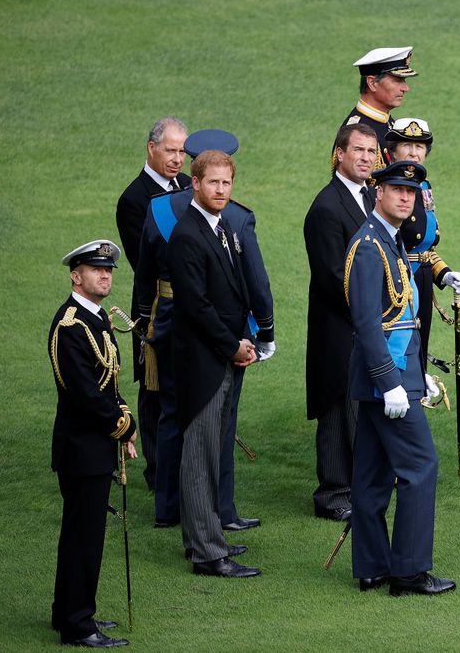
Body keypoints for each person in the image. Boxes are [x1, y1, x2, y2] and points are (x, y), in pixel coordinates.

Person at [135, 129, 268, 533]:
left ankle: (168, 506)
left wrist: (145, 321)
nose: (221, 187)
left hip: (165, 320)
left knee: (173, 415)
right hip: (213, 326)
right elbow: (253, 281)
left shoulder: (158, 209)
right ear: (200, 176)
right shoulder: (236, 215)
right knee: (217, 422)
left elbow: (144, 274)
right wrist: (260, 330)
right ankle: (219, 510)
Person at [345, 160, 455, 596]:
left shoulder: (386, 240)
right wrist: (391, 381)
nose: (405, 198)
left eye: (411, 191)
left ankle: (372, 566)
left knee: (372, 476)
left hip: (395, 373)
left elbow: (402, 318)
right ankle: (408, 573)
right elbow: (368, 324)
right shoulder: (370, 245)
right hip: (385, 379)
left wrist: (417, 372)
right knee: (420, 467)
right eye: (396, 189)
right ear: (378, 193)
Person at [168, 150, 260, 578]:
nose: (221, 190)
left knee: (208, 450)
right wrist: (233, 346)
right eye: (213, 183)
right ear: (195, 183)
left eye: (227, 183)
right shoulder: (189, 234)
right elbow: (197, 307)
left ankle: (202, 540)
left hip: (218, 354)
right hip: (203, 361)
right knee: (200, 455)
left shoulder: (218, 226)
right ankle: (208, 553)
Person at [48, 239, 137, 647]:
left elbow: (110, 379)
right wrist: (124, 424)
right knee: (84, 540)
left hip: (92, 447)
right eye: (95, 269)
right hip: (83, 450)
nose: (105, 275)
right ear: (75, 276)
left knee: (79, 535)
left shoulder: (96, 317)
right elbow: (84, 394)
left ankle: (66, 612)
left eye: (108, 270)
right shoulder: (71, 325)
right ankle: (79, 625)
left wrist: (122, 424)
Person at [304, 123, 378, 522]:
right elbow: (333, 277)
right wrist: (374, 311)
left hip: (360, 324)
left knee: (357, 407)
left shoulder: (369, 196)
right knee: (338, 407)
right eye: (359, 150)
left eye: (372, 151)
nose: (367, 158)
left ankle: (353, 488)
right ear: (339, 154)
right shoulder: (326, 207)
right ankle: (334, 495)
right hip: (339, 330)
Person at [115, 116, 189, 491]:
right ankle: (159, 472)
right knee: (155, 390)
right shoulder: (133, 199)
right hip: (156, 308)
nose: (178, 159)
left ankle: (185, 465)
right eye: (171, 150)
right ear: (151, 148)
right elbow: (143, 261)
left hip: (190, 304)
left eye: (182, 151)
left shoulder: (192, 185)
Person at [385, 118, 460, 374]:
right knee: (398, 350)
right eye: (407, 145)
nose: (414, 152)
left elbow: (423, 247)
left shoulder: (423, 187)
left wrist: (443, 273)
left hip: (420, 279)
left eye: (420, 146)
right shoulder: (385, 188)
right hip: (394, 282)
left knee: (418, 351)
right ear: (392, 152)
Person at [335, 46, 417, 171]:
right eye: (397, 80)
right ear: (372, 83)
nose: (406, 88)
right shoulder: (355, 132)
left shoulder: (388, 122)